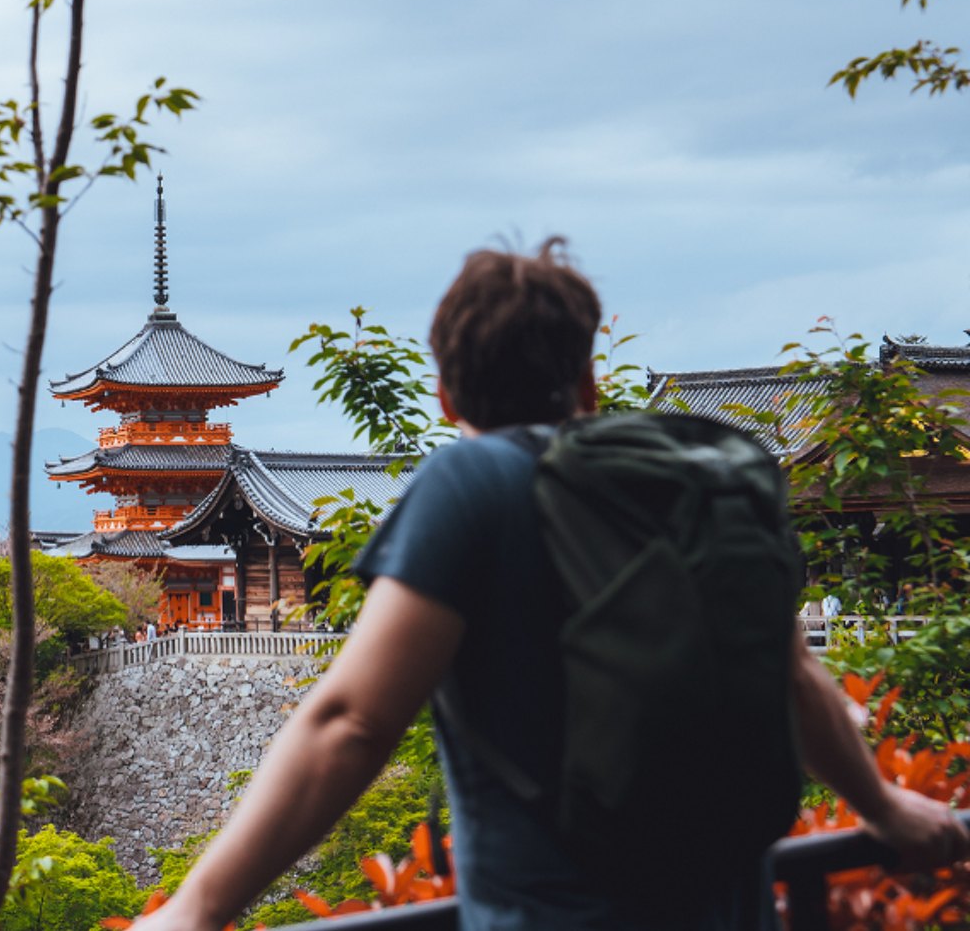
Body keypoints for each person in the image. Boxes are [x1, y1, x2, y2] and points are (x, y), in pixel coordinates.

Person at [129, 241, 968, 931]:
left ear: (446, 393)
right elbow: (793, 676)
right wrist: (885, 809)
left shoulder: (472, 484)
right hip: (729, 900)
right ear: (588, 380)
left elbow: (353, 719)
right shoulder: (695, 478)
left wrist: (198, 908)